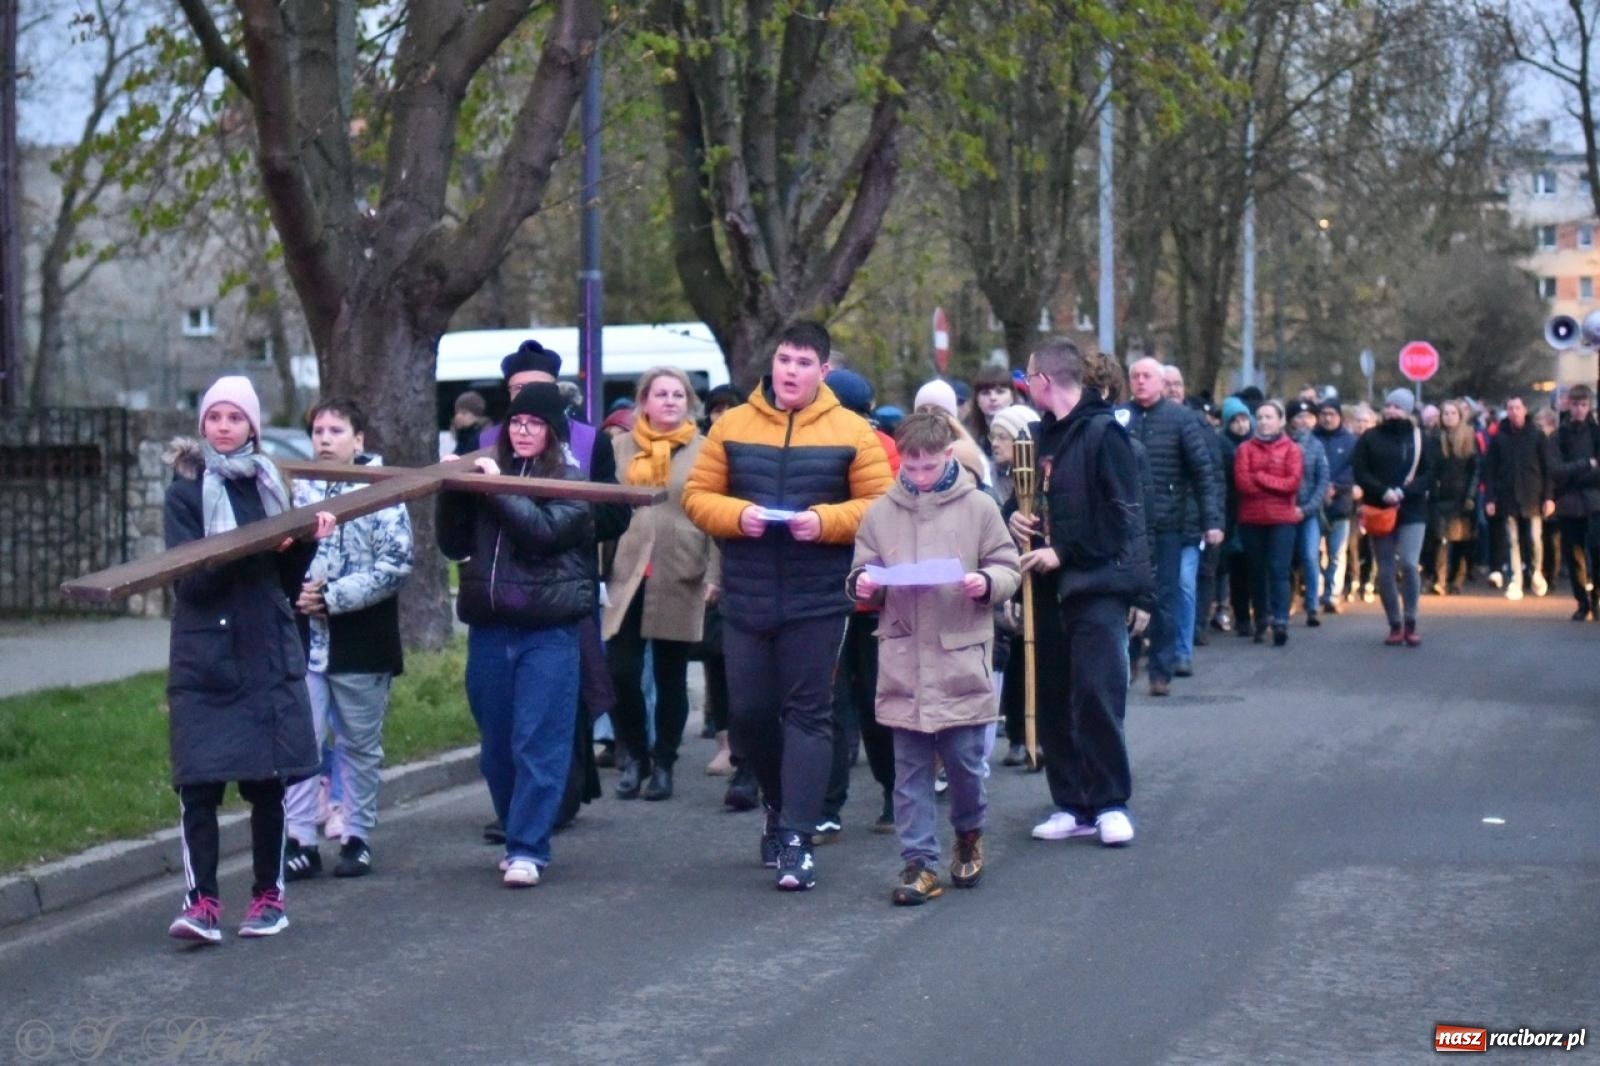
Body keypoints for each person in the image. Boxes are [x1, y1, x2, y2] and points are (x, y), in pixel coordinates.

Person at [682, 320, 892, 891]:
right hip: (746, 594)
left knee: (808, 713)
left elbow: (879, 503)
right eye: (783, 360)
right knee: (749, 713)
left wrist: (824, 522)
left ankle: (798, 835)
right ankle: (777, 803)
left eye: (802, 363)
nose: (790, 371)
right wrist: (738, 516)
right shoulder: (733, 424)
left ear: (823, 371)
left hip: (817, 596)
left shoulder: (852, 430)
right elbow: (698, 496)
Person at [163, 376, 337, 943]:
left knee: (267, 782)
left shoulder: (271, 487)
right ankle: (202, 903)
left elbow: (283, 583)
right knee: (199, 786)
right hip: (206, 657)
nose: (223, 426)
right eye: (214, 417)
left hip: (264, 649)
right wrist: (247, 548)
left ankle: (268, 897)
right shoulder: (185, 492)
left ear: (252, 428)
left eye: (235, 417)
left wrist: (303, 543)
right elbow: (189, 585)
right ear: (202, 425)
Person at [849, 412, 1020, 905]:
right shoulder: (881, 510)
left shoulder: (980, 506)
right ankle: (918, 863)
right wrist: (864, 584)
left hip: (959, 654)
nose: (920, 476)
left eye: (929, 467)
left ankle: (968, 831)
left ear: (948, 455)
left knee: (965, 763)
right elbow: (861, 571)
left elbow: (1007, 565)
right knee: (909, 771)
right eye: (911, 467)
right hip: (903, 655)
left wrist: (986, 582)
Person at [438, 383, 595, 887]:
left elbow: (542, 533)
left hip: (548, 629)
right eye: (517, 422)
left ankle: (529, 846)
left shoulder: (572, 481)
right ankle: (515, 830)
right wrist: (451, 489)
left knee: (538, 742)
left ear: (553, 431)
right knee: (496, 748)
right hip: (489, 625)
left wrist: (497, 488)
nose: (523, 431)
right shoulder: (488, 472)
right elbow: (453, 544)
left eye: (535, 424)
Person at [1012, 341, 1154, 848]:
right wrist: (1014, 518)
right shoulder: (1037, 437)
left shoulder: (1103, 433)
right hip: (1045, 587)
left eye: (1028, 377)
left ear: (1045, 381)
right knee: (1052, 697)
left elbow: (1123, 517)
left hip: (1096, 586)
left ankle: (1111, 802)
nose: (1025, 386)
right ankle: (1071, 804)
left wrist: (1064, 552)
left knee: (1096, 694)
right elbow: (1024, 501)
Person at [283, 399, 414, 882]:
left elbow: (396, 563)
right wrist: (296, 590)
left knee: (358, 744)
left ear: (358, 439)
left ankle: (356, 836)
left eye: (336, 430)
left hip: (362, 639)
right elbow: (277, 553)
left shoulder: (382, 491)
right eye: (318, 430)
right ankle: (300, 839)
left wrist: (333, 597)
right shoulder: (296, 488)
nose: (324, 438)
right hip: (303, 640)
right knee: (301, 741)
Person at [603, 368, 720, 802]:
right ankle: (636, 754)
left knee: (671, 676)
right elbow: (602, 507)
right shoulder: (618, 447)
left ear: (689, 403)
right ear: (644, 402)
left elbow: (716, 515)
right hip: (627, 570)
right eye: (661, 394)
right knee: (621, 672)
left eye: (677, 394)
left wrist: (715, 575)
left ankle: (665, 763)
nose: (670, 401)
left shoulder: (706, 450)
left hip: (680, 568)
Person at [817, 368, 901, 840]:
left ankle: (892, 793)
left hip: (871, 597)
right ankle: (829, 804)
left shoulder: (884, 449)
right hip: (830, 596)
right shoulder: (814, 444)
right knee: (830, 702)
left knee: (874, 701)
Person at [1122, 358, 1223, 695]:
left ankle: (1161, 670)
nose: (1140, 381)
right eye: (1135, 376)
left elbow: (1203, 473)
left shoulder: (1181, 419)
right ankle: (1129, 659)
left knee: (1165, 597)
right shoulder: (1121, 417)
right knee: (1128, 594)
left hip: (1168, 524)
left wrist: (1211, 521)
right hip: (1127, 524)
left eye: (1147, 376)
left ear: (1162, 382)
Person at [1353, 389, 1435, 646]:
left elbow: (1430, 473)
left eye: (1397, 407)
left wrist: (1405, 491)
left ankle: (1411, 620)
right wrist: (1382, 491)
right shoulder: (1370, 438)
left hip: (1412, 508)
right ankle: (1395, 623)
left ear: (1408, 411)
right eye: (1388, 405)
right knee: (1386, 569)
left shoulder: (1420, 438)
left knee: (1409, 563)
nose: (1391, 411)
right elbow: (1360, 471)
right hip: (1379, 508)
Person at [1233, 400, 1303, 647]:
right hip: (1251, 518)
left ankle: (1280, 620)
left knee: (1279, 570)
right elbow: (1243, 483)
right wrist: (1273, 485)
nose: (1263, 421)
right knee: (1256, 571)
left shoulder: (1292, 449)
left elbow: (1292, 483)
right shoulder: (1245, 449)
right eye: (1260, 417)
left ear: (1281, 420)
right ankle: (1262, 618)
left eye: (1269, 417)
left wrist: (1261, 477)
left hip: (1282, 519)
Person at [1485, 396, 1555, 600]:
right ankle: (1516, 579)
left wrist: (1548, 497)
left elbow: (1547, 468)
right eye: (1510, 408)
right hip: (1507, 495)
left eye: (1517, 407)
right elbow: (1490, 470)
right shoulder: (1499, 437)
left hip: (1533, 495)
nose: (1514, 411)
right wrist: (1490, 498)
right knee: (1512, 541)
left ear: (1525, 409)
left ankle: (1536, 572)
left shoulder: (1537, 435)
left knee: (1534, 538)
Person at [1551, 384, 1600, 620]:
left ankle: (1596, 599)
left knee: (1597, 552)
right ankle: (1582, 601)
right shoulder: (1560, 434)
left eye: (1583, 404)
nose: (1579, 409)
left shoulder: (1596, 432)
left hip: (1595, 500)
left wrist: (1576, 473)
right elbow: (1556, 470)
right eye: (1575, 404)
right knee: (1574, 554)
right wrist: (1585, 466)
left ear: (1589, 406)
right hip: (1569, 502)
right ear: (1568, 405)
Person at [1428, 399, 1481, 596]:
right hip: (1441, 497)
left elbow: (1476, 469)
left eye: (1453, 413)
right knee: (1441, 539)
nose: (1449, 417)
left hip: (1463, 497)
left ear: (1460, 416)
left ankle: (1457, 579)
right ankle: (1440, 579)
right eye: (1446, 413)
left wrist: (1471, 495)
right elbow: (1430, 468)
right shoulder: (1435, 438)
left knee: (1462, 540)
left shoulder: (1470, 437)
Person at [1286, 399, 1330, 626]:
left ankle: (1312, 605)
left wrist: (1307, 508)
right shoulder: (1283, 442)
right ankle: (1287, 600)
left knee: (1310, 556)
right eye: (1299, 416)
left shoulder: (1317, 446)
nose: (1304, 421)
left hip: (1309, 512)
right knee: (1285, 558)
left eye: (1309, 417)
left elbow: (1322, 480)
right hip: (1284, 511)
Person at [1313, 400, 1357, 613]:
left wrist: (1337, 486)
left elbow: (1353, 468)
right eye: (1324, 414)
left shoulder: (1350, 441)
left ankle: (1333, 594)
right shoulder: (1312, 439)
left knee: (1337, 553)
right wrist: (1320, 488)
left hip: (1341, 504)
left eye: (1332, 414)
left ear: (1340, 416)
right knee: (1313, 552)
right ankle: (1317, 591)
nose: (1328, 418)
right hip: (1315, 504)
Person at [1218, 396, 1255, 638]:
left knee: (1252, 568)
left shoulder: (1256, 443)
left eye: (1244, 419)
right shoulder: (1221, 445)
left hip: (1253, 512)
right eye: (1235, 421)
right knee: (1234, 568)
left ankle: (1253, 614)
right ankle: (1239, 616)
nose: (1241, 425)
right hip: (1230, 513)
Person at [968, 364, 1016, 453]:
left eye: (1000, 392)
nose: (993, 398)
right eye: (985, 393)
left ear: (1012, 396)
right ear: (977, 399)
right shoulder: (968, 436)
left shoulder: (1026, 433)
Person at [451, 390, 490, 456]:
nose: (458, 417)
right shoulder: (462, 436)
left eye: (464, 413)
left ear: (477, 416)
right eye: (457, 413)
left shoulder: (479, 439)